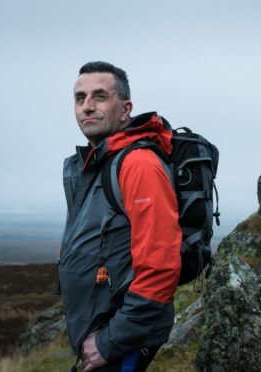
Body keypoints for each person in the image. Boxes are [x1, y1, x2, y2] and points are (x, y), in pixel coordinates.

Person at [59, 61, 182, 371]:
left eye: (99, 96)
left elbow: (160, 267)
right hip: (102, 327)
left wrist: (109, 343)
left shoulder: (138, 164)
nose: (87, 107)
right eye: (80, 98)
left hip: (121, 336)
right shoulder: (94, 164)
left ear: (125, 108)